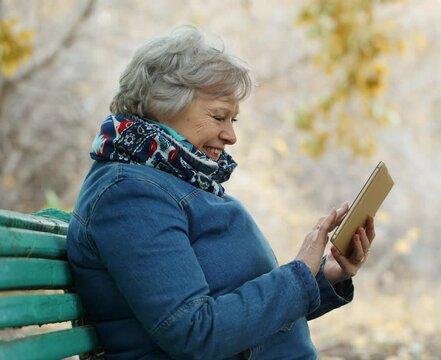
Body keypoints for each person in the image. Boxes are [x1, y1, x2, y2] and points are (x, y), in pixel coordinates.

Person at [66, 25, 375, 360]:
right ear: (162, 106)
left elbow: (239, 317)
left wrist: (324, 273)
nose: (230, 136)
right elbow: (197, 333)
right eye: (218, 116)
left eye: (234, 121)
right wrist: (298, 273)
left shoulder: (175, 178)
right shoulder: (129, 195)